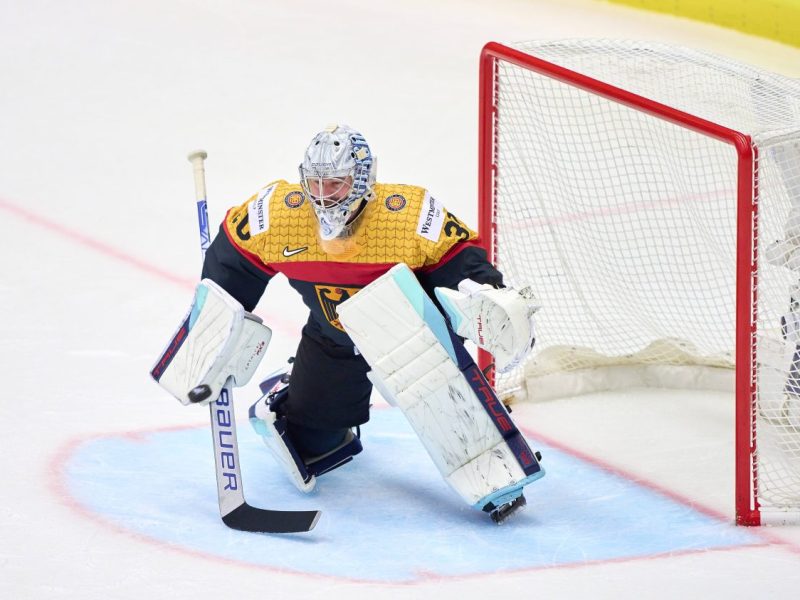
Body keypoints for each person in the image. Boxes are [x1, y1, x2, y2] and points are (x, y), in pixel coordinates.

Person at [199, 124, 538, 498]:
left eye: (336, 183)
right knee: (314, 446)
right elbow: (230, 261)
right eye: (315, 183)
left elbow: (460, 260)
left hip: (411, 338)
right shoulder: (280, 215)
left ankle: (496, 478)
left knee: (458, 422)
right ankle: (290, 391)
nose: (323, 195)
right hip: (335, 339)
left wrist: (486, 294)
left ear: (362, 180)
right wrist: (219, 326)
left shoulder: (406, 216)